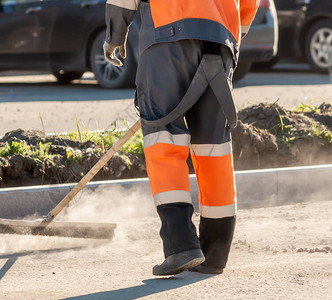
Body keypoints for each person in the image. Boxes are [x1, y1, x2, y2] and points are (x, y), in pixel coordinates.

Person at [104, 0, 259, 276]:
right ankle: (215, 253)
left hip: (168, 34)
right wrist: (229, 33)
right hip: (220, 40)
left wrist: (115, 34)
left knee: (163, 139)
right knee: (214, 147)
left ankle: (180, 245)